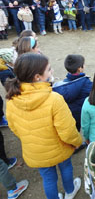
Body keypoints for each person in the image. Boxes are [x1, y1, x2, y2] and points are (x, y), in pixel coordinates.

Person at [5, 53, 82, 199]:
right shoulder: (54, 99)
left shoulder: (11, 99)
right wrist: (77, 142)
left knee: (48, 178)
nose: (52, 71)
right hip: (60, 148)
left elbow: (14, 127)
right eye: (49, 69)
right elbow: (68, 131)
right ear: (37, 77)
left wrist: (29, 138)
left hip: (35, 151)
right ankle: (70, 191)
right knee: (66, 167)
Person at [53, 54, 92, 132]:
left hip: (68, 114)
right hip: (81, 114)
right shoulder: (86, 83)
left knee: (73, 130)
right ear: (80, 69)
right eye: (83, 65)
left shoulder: (60, 86)